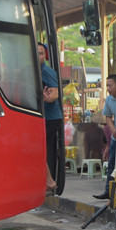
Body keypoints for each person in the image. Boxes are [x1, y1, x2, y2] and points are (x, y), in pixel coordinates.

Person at [38, 42, 64, 194]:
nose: (39, 56)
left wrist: (46, 98)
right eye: (36, 53)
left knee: (39, 148)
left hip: (50, 118)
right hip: (43, 117)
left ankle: (50, 181)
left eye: (41, 53)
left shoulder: (46, 72)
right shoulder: (34, 70)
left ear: (45, 56)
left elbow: (54, 94)